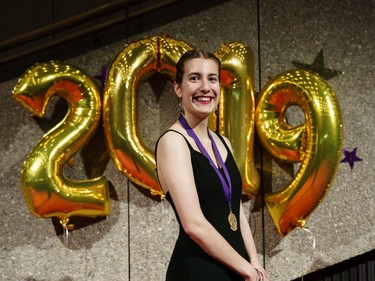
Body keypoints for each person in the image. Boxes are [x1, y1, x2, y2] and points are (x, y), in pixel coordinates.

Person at [155, 49, 269, 281]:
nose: (205, 87)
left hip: (237, 268)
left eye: (212, 79)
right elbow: (194, 225)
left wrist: (255, 264)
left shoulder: (222, 142)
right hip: (199, 271)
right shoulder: (173, 142)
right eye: (194, 78)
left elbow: (234, 208)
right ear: (178, 88)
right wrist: (247, 270)